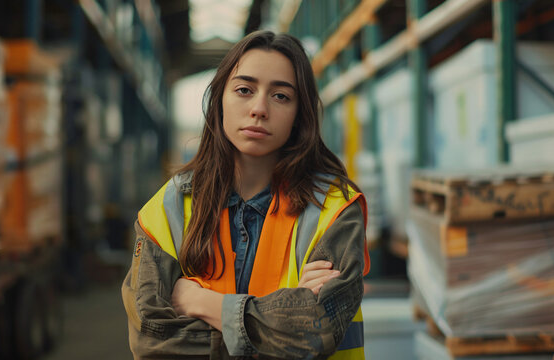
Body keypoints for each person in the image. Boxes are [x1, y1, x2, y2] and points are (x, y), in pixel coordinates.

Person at [121, 30, 370, 359]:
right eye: (244, 90)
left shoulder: (333, 209)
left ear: (300, 114)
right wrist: (283, 314)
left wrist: (201, 303)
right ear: (220, 99)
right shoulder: (169, 208)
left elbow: (315, 332)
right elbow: (153, 344)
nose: (259, 108)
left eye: (281, 96)